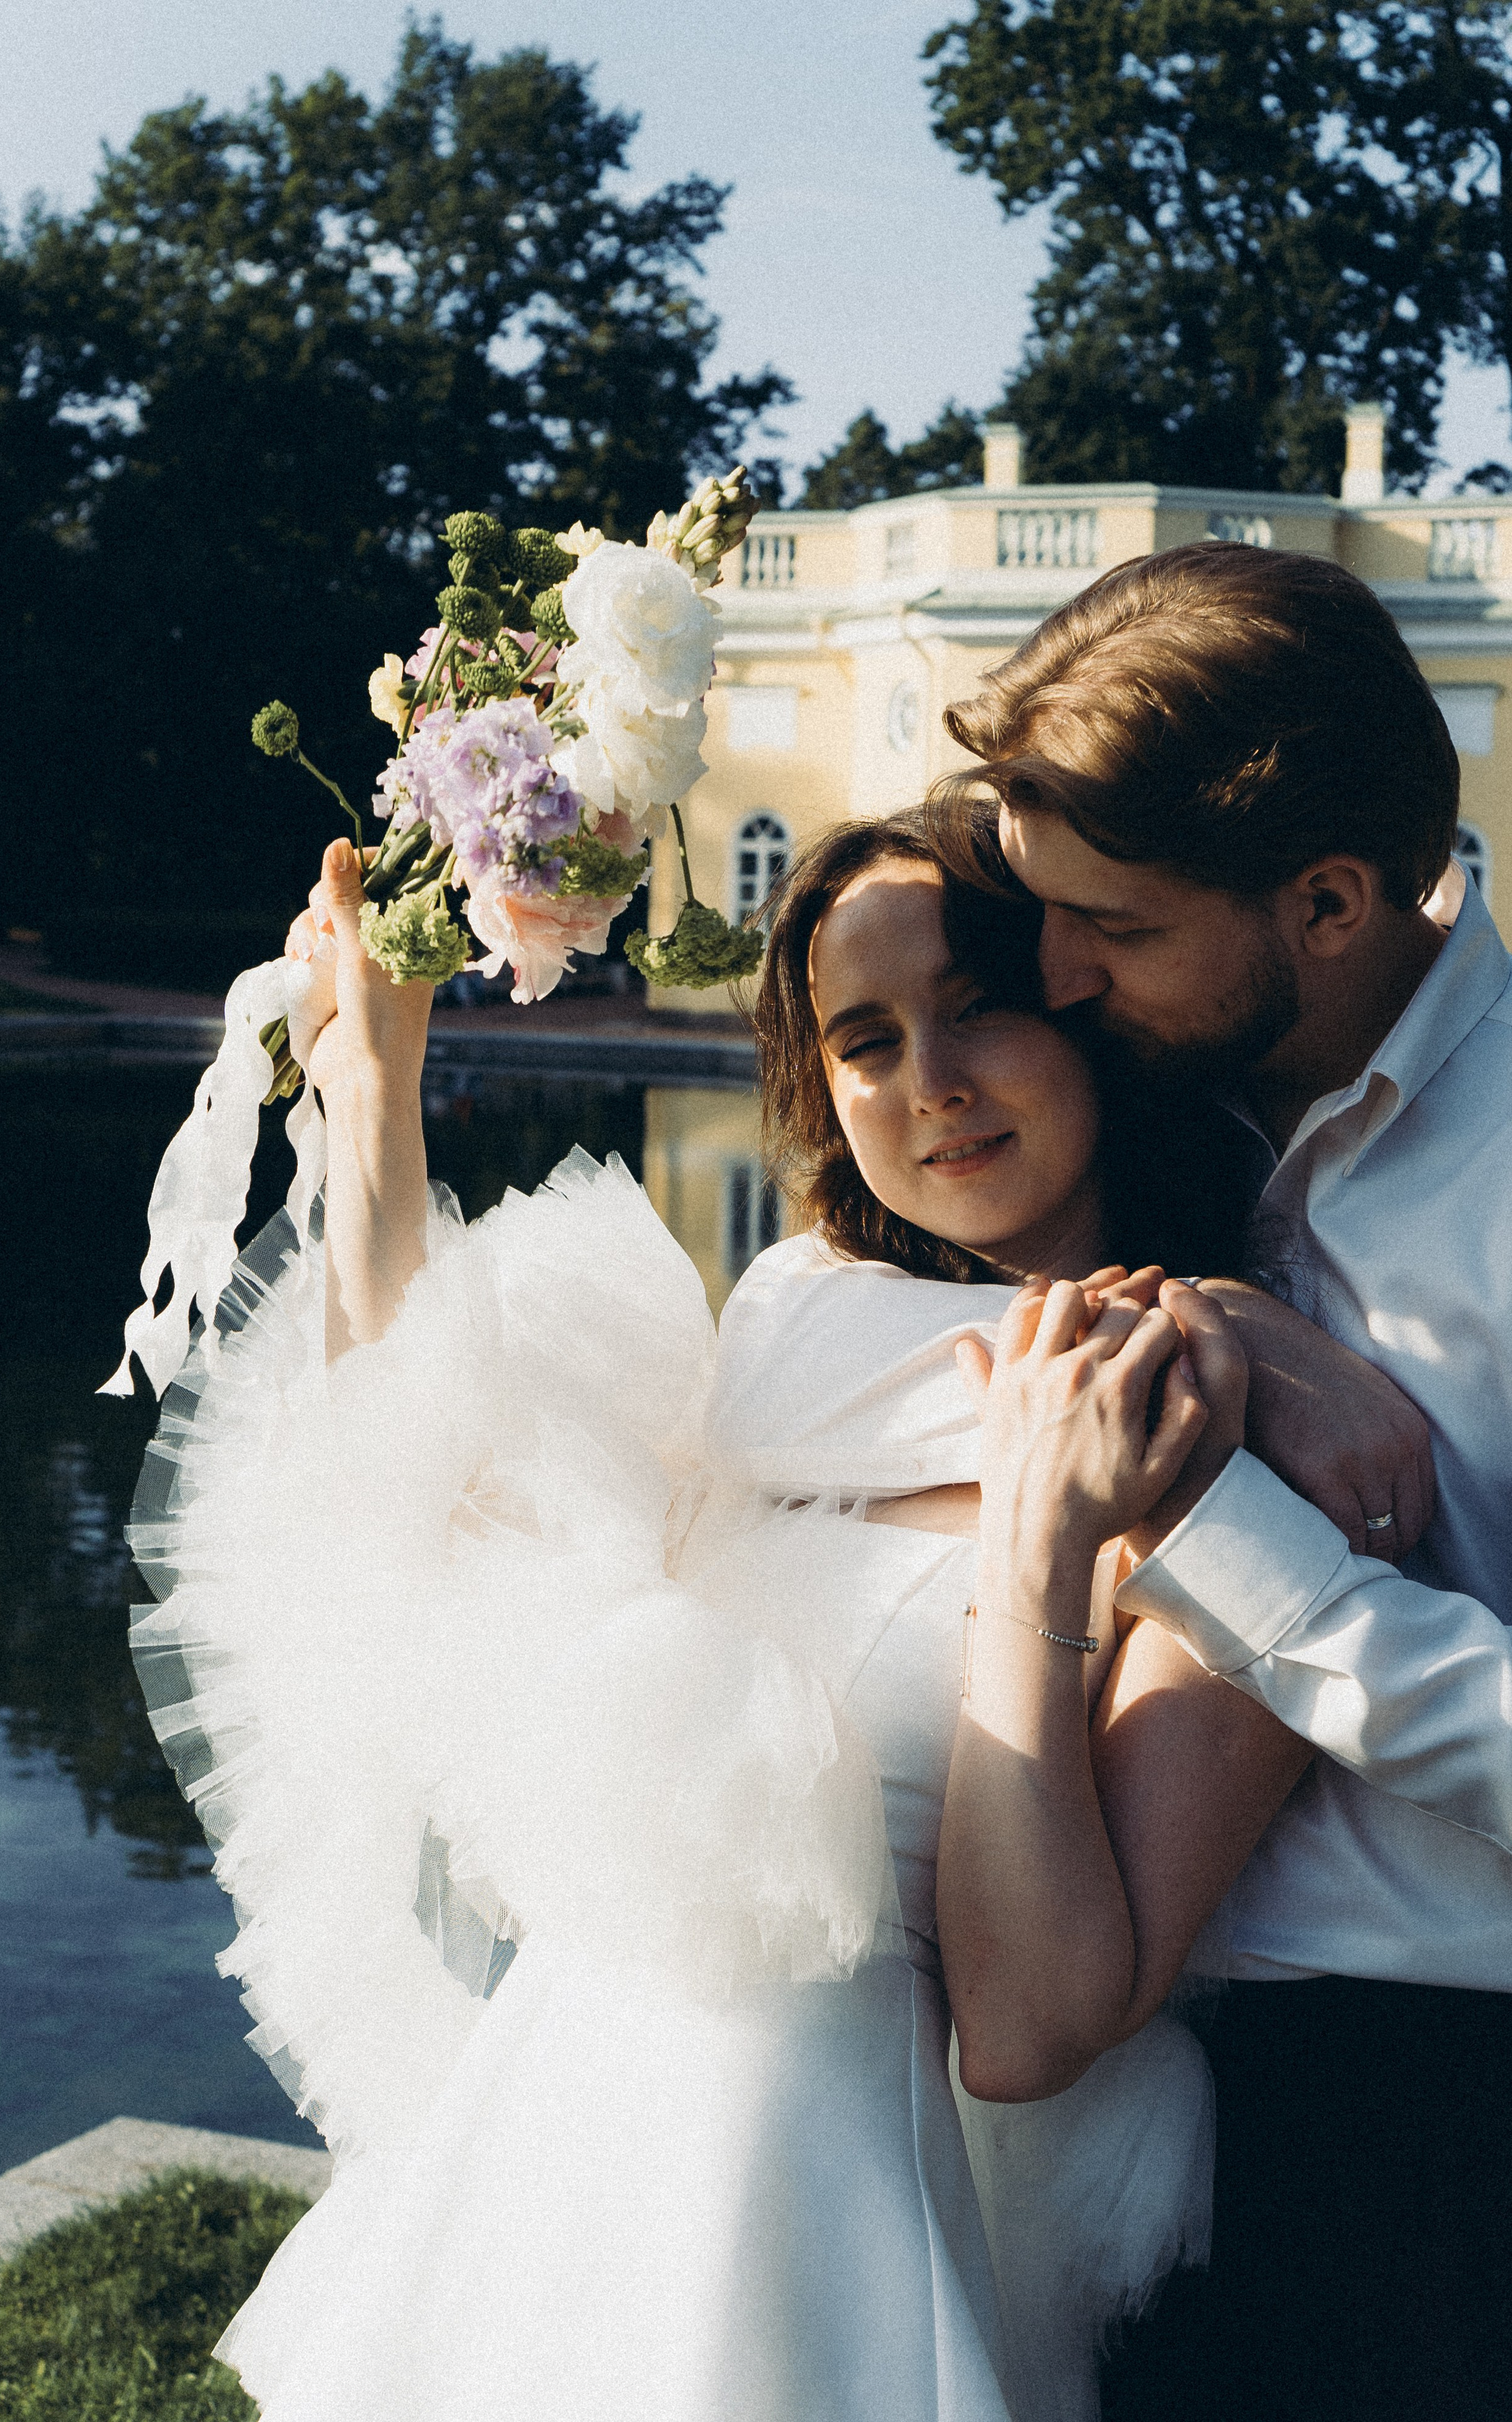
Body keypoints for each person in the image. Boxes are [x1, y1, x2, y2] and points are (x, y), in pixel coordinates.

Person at [125, 804, 1385, 2422]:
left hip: (808, 2192)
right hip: (555, 2124)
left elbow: (1033, 2020)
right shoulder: (797, 1334)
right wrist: (379, 1083)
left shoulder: (1212, 1448)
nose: (926, 1082)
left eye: (977, 1003)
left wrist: (1044, 1542)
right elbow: (433, 1530)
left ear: (1088, 1007)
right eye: (864, 1041)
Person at [919, 539, 1512, 2422]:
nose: (1060, 975)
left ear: (1330, 902)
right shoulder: (1133, 1101)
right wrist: (1226, 1316)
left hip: (1430, 2133)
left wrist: (1271, 1578)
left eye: (1120, 927)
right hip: (1114, 2108)